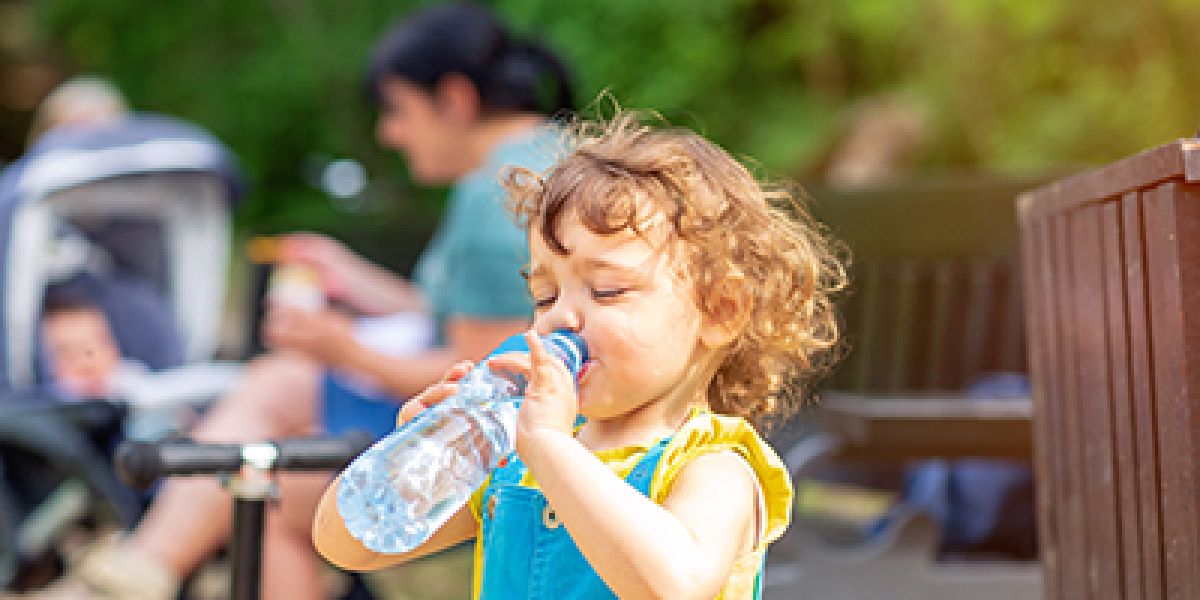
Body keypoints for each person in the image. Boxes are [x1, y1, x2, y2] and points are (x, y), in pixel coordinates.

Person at [5, 4, 574, 599]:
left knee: (276, 461)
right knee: (278, 412)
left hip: (497, 442)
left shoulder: (494, 196)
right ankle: (144, 566)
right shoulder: (543, 156)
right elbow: (465, 319)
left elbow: (486, 367)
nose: (389, 133)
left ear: (454, 100)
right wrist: (349, 276)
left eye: (397, 110)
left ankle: (139, 569)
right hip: (538, 422)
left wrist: (343, 351)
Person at [313, 109, 848, 599]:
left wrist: (550, 447)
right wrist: (416, 456)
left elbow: (675, 585)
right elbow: (346, 545)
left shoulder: (713, 466)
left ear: (721, 311)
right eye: (544, 296)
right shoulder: (517, 463)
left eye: (608, 290)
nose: (560, 318)